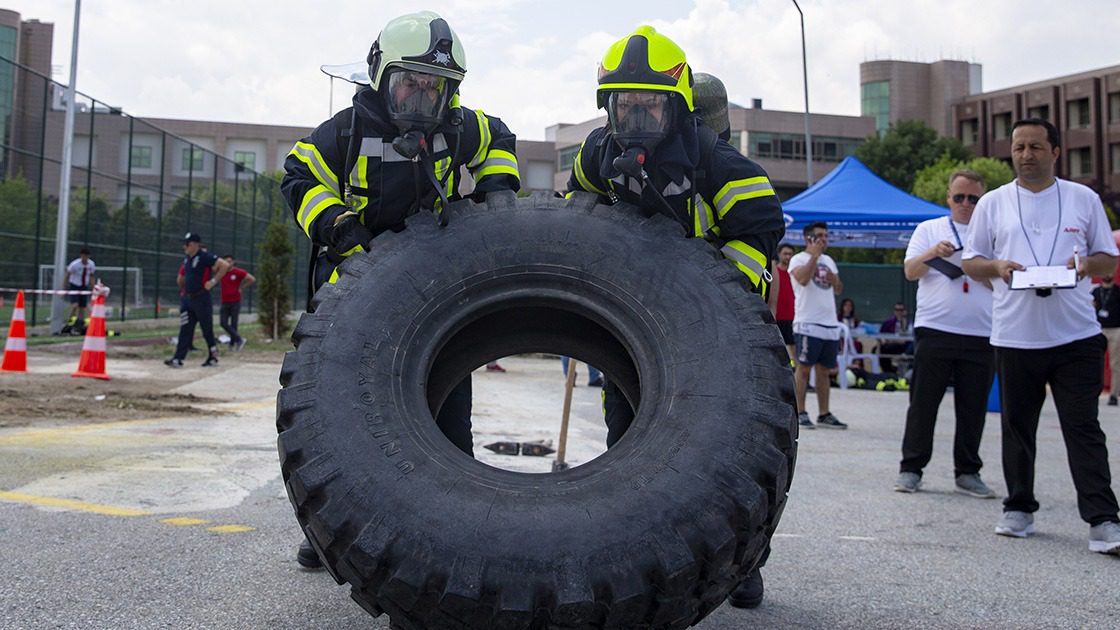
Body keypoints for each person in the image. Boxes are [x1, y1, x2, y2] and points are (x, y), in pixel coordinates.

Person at [281, 10, 521, 569]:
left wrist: (494, 196)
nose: (421, 96)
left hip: (431, 302)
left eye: (434, 87)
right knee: (331, 427)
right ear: (381, 74)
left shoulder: (460, 128)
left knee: (447, 412)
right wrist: (338, 226)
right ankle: (325, 531)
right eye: (410, 81)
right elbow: (299, 176)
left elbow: (500, 139)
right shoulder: (344, 131)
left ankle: (459, 539)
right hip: (351, 301)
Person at [564, 25, 785, 610]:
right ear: (608, 105)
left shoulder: (717, 162)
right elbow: (574, 217)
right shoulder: (595, 153)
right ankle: (627, 555)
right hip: (633, 334)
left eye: (650, 103)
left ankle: (744, 561)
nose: (636, 115)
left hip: (716, 342)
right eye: (624, 103)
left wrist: (721, 297)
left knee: (731, 458)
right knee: (627, 437)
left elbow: (761, 226)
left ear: (678, 105)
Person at [961, 118, 1120, 555]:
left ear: (1055, 151)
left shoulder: (1082, 199)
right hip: (1015, 335)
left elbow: (1109, 259)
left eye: (1035, 146)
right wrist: (996, 267)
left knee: (1083, 428)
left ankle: (1104, 521)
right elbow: (970, 262)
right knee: (1017, 428)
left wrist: (1088, 265)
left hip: (1076, 336)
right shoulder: (993, 203)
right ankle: (1019, 508)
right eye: (1018, 147)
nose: (1026, 154)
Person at [894, 169, 996, 497]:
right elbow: (911, 272)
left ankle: (967, 471)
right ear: (948, 198)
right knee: (923, 403)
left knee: (973, 407)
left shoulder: (992, 233)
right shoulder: (929, 229)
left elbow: (1005, 280)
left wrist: (985, 274)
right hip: (936, 329)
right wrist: (933, 252)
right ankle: (911, 468)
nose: (965, 204)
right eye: (959, 197)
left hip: (981, 332)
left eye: (973, 198)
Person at [789, 222, 847, 430]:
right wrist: (813, 256)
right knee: (803, 369)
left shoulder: (829, 260)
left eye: (826, 236)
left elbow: (838, 289)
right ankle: (799, 411)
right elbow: (803, 279)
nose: (824, 239)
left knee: (824, 371)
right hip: (807, 322)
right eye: (820, 236)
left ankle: (824, 413)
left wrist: (834, 280)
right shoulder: (798, 259)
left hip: (829, 323)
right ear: (808, 239)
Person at [165, 233, 229, 368]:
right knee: (185, 329)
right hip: (188, 299)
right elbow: (182, 278)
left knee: (207, 329)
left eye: (187, 244)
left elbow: (224, 265)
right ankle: (178, 358)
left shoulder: (204, 256)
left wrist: (213, 281)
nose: (184, 247)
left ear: (194, 244)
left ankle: (213, 356)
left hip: (201, 299)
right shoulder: (187, 259)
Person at [1092, 274, 1120, 406]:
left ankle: (1114, 394)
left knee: (1115, 364)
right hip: (1099, 329)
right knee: (1095, 362)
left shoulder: (1117, 291)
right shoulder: (1096, 291)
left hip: (1115, 329)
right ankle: (1094, 392)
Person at [219, 255, 255, 351]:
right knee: (223, 322)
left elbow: (251, 279)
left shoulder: (238, 272)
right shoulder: (221, 272)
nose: (228, 263)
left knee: (234, 323)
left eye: (230, 261)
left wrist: (242, 287)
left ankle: (232, 344)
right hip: (224, 302)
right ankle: (239, 339)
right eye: (226, 261)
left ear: (233, 262)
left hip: (235, 301)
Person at [61, 248, 95, 335]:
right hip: (75, 285)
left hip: (84, 286)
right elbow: (67, 274)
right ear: (81, 256)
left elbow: (91, 276)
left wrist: (93, 286)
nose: (85, 258)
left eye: (87, 256)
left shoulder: (91, 264)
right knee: (75, 305)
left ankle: (80, 323)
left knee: (82, 307)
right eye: (84, 256)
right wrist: (64, 287)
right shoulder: (75, 264)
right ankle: (70, 322)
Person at [774, 244, 796, 363]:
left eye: (790, 254)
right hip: (777, 317)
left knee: (794, 349)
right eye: (785, 254)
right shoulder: (774, 272)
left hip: (793, 317)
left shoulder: (795, 274)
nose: (788, 257)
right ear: (779, 254)